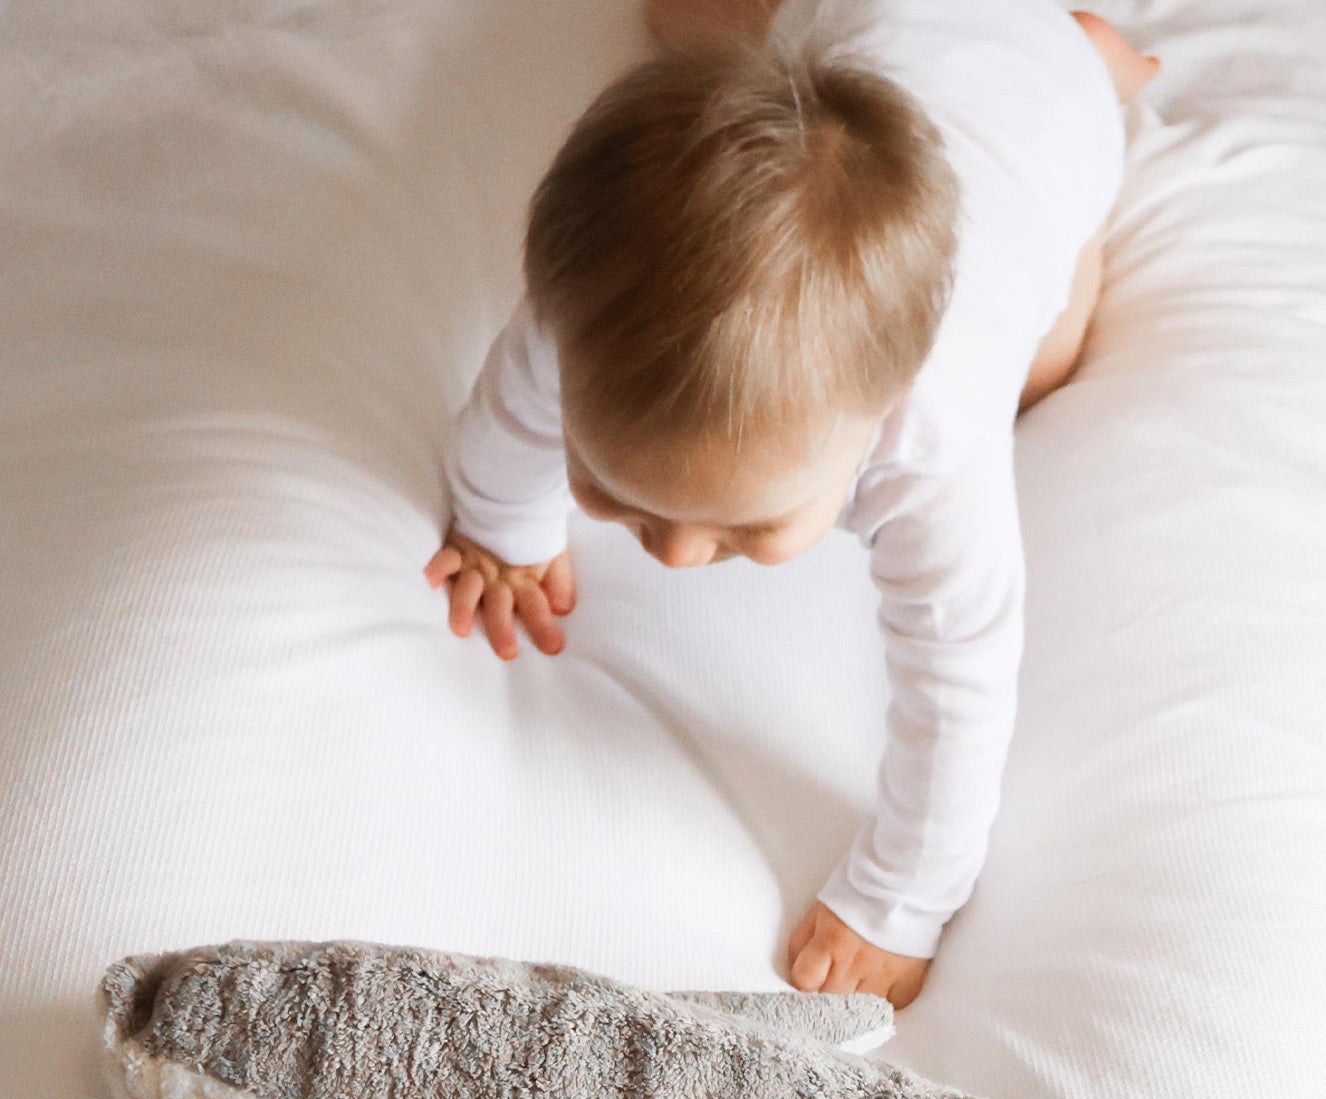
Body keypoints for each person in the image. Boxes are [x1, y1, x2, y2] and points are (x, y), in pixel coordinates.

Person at [425, 0, 1157, 1007]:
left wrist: (898, 897)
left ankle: (1092, 58)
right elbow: (517, 392)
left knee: (1047, 362)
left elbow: (958, 684)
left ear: (879, 414)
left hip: (1044, 119)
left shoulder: (936, 451)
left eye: (750, 524)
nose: (674, 556)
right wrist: (499, 523)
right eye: (611, 488)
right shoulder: (585, 318)